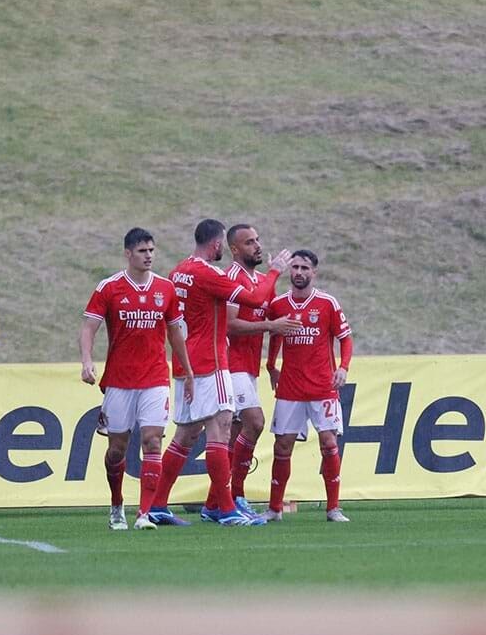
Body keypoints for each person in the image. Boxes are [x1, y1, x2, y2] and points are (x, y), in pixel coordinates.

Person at [146, 219, 289, 527]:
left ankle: (158, 504)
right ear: (216, 244)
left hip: (185, 362)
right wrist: (275, 270)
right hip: (210, 362)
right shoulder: (208, 273)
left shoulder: (179, 270)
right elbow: (253, 299)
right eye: (223, 243)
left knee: (185, 434)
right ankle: (225, 508)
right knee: (221, 428)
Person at [79, 228, 194, 530]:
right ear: (128, 253)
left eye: (152, 250)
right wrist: (87, 361)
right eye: (142, 251)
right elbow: (89, 327)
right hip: (119, 379)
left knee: (152, 440)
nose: (149, 256)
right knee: (117, 448)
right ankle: (117, 505)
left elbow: (175, 333)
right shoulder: (109, 287)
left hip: (155, 377)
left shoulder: (166, 289)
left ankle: (144, 513)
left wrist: (188, 370)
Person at [262, 250, 354, 522]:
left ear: (314, 272)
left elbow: (346, 339)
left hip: (322, 386)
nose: (299, 272)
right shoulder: (278, 304)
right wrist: (270, 366)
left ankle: (333, 508)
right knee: (282, 447)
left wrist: (343, 367)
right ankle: (274, 509)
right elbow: (275, 335)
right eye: (295, 267)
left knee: (328, 442)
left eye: (305, 268)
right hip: (290, 387)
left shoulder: (327, 303)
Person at [224, 224, 303, 518]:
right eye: (249, 242)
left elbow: (273, 318)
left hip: (249, 367)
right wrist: (270, 325)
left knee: (231, 436)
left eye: (257, 240)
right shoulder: (232, 278)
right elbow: (230, 324)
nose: (257, 246)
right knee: (255, 423)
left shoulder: (259, 280)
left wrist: (271, 365)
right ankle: (236, 495)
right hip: (230, 364)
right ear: (234, 249)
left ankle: (221, 499)